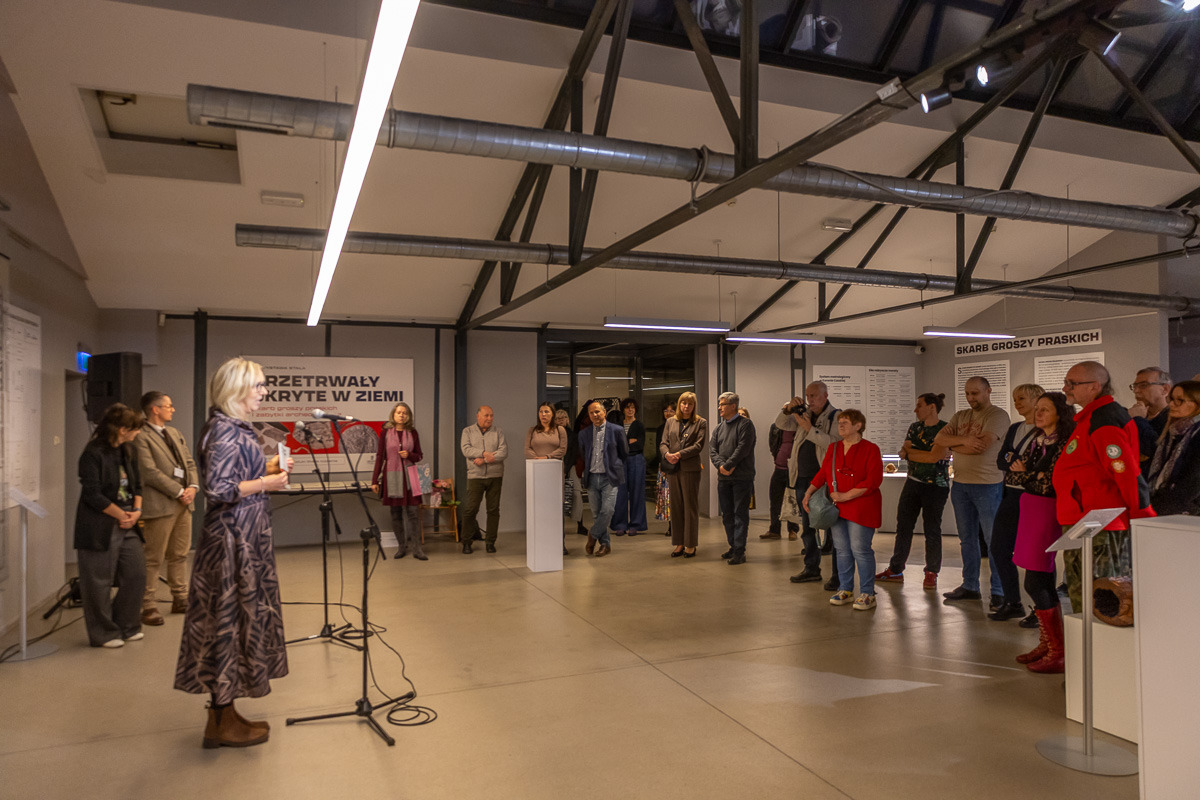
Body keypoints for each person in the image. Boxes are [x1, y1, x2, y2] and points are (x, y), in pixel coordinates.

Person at [175, 357, 291, 749]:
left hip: (244, 537)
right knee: (226, 622)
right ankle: (220, 720)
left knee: (238, 622)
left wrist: (266, 468)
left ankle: (224, 712)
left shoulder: (234, 427)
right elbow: (219, 488)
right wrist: (266, 483)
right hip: (231, 543)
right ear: (237, 388)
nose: (264, 392)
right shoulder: (225, 430)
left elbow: (234, 476)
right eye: (259, 385)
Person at [1055, 361, 1155, 614]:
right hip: (1085, 521)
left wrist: (1141, 514)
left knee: (1101, 600)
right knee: (1082, 595)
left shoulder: (1104, 420)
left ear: (1095, 386)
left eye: (1072, 383)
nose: (1066, 388)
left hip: (1101, 523)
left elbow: (1126, 473)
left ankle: (1098, 641)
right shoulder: (1092, 418)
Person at [1011, 392, 1074, 674]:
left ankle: (1057, 650)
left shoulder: (1064, 443)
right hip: (1031, 509)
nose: (1038, 414)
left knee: (1035, 582)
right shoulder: (1037, 441)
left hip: (1047, 511)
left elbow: (1050, 484)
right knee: (1040, 579)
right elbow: (1011, 475)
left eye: (1045, 409)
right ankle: (1049, 644)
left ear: (1060, 413)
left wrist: (1027, 475)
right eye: (1037, 409)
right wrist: (1031, 475)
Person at [74, 403, 146, 648]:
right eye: (135, 428)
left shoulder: (129, 450)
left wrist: (136, 511)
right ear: (122, 429)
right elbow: (92, 494)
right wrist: (120, 515)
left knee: (136, 574)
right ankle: (103, 633)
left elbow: (137, 485)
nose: (138, 432)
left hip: (129, 520)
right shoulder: (93, 452)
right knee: (98, 581)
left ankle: (127, 626)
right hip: (100, 525)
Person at [935, 376, 1011, 606]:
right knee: (967, 539)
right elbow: (939, 439)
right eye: (967, 393)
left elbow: (981, 446)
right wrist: (964, 441)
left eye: (975, 393)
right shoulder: (961, 416)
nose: (970, 398)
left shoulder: (997, 416)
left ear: (988, 391)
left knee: (993, 540)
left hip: (988, 485)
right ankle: (970, 585)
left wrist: (954, 444)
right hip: (960, 485)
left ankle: (999, 590)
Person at [803, 409, 883, 611]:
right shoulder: (834, 447)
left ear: (858, 426)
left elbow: (873, 480)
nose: (841, 425)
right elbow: (823, 473)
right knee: (842, 549)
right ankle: (846, 589)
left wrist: (846, 496)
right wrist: (809, 493)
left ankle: (867, 592)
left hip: (861, 507)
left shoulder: (870, 449)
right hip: (837, 507)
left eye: (846, 422)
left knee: (860, 549)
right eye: (840, 422)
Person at [134, 391, 199, 626]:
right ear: (155, 409)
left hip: (184, 504)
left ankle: (180, 597)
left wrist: (192, 487)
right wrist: (179, 491)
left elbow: (189, 463)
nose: (172, 409)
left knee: (180, 554)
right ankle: (148, 605)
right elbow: (149, 472)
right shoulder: (140, 436)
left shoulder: (174, 433)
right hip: (160, 505)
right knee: (153, 557)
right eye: (168, 406)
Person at [875, 392, 949, 590]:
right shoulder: (914, 427)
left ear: (932, 407)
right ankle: (895, 569)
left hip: (936, 486)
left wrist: (913, 453)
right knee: (903, 527)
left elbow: (933, 457)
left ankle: (931, 572)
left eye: (919, 405)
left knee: (932, 529)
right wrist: (921, 453)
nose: (916, 410)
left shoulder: (946, 429)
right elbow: (905, 450)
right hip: (913, 483)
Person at [987, 384, 1045, 621]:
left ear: (1037, 399)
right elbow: (1002, 459)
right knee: (999, 548)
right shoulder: (1015, 428)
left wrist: (1019, 462)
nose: (1017, 403)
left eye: (1021, 398)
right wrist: (1018, 461)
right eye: (1015, 398)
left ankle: (1042, 609)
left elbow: (1037, 463)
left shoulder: (1046, 431)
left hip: (1034, 497)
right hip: (1011, 494)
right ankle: (1012, 601)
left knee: (1035, 554)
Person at [777, 383, 840, 586]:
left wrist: (809, 429)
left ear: (825, 395)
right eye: (807, 396)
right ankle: (811, 568)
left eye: (813, 395)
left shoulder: (835, 417)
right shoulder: (804, 414)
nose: (809, 400)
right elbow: (781, 424)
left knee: (834, 526)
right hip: (803, 479)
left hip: (825, 481)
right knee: (807, 527)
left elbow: (834, 444)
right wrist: (788, 409)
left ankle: (838, 574)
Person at [371, 401, 426, 560]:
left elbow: (419, 456)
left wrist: (409, 455)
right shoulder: (385, 433)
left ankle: (417, 549)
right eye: (399, 412)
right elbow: (380, 456)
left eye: (404, 413)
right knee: (396, 513)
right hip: (392, 476)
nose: (402, 415)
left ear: (408, 416)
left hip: (411, 476)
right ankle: (401, 547)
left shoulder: (413, 433)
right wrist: (374, 480)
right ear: (393, 415)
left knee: (413, 513)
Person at [710, 391, 756, 565]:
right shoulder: (719, 428)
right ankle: (733, 546)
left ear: (733, 406)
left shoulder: (746, 425)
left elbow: (743, 448)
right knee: (727, 515)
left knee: (740, 515)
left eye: (722, 404)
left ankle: (739, 551)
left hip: (742, 478)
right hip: (724, 478)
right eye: (719, 404)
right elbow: (712, 450)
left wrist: (728, 465)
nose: (719, 408)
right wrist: (721, 466)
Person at [660, 392, 708, 558]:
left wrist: (679, 454)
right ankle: (679, 543)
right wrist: (667, 454)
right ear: (679, 404)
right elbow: (663, 443)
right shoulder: (670, 422)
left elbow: (698, 446)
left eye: (690, 404)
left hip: (690, 469)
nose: (686, 407)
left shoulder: (701, 422)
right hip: (673, 469)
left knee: (690, 507)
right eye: (683, 403)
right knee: (676, 507)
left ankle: (690, 544)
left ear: (694, 406)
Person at [579, 400, 628, 557]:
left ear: (604, 412)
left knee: (607, 510)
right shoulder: (584, 433)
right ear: (588, 415)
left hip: (610, 477)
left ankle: (592, 535)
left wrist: (614, 465)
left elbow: (624, 452)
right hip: (592, 477)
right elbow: (583, 454)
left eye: (598, 412)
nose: (595, 415)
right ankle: (605, 545)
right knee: (596, 513)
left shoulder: (617, 430)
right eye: (592, 413)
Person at [1146, 380, 1200, 516]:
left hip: (1187, 513)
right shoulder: (1173, 433)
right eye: (1171, 399)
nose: (1171, 404)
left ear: (1197, 404)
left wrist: (1161, 507)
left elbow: (1193, 482)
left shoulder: (1196, 434)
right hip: (1168, 507)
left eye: (1179, 400)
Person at [460, 405, 508, 554]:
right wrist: (484, 453)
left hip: (495, 476)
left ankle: (490, 542)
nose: (489, 418)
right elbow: (466, 449)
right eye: (486, 415)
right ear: (478, 416)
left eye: (491, 415)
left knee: (493, 510)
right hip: (475, 476)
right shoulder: (467, 431)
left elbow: (503, 452)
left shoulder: (498, 431)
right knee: (471, 509)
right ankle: (466, 542)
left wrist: (484, 460)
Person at [763, 404, 801, 541]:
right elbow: (772, 443)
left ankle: (793, 530)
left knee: (792, 500)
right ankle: (774, 530)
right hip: (779, 468)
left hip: (794, 471)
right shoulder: (776, 427)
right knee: (775, 500)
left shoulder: (801, 428)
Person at [612, 397, 647, 536]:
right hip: (620, 461)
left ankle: (636, 525)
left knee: (637, 492)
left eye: (632, 407)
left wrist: (624, 444)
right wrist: (629, 442)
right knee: (620, 493)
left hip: (636, 460)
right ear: (623, 409)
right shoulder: (618, 425)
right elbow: (614, 444)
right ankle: (620, 525)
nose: (630, 410)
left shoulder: (639, 425)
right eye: (627, 407)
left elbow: (639, 445)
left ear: (635, 409)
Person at [1130, 367, 1171, 465]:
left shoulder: (1174, 419)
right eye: (1134, 386)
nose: (1136, 390)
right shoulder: (1133, 415)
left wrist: (1138, 420)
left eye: (1143, 385)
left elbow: (1158, 452)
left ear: (1165, 389)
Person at [557, 407, 585, 548]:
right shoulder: (552, 435)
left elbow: (574, 453)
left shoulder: (573, 435)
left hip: (570, 466)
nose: (561, 420)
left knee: (576, 493)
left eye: (563, 418)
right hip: (555, 467)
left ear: (567, 420)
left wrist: (566, 469)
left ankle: (580, 524)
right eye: (558, 418)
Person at [653, 401, 676, 534]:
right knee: (667, 497)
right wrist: (664, 466)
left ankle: (679, 525)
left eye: (671, 411)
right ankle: (671, 525)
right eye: (666, 411)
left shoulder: (681, 426)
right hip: (664, 466)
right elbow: (659, 449)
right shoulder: (661, 428)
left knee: (677, 497)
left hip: (678, 465)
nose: (668, 413)